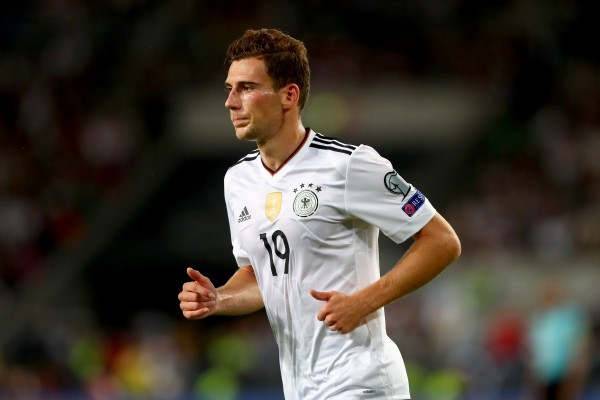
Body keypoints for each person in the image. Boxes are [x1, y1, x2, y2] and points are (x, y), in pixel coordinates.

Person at [178, 28, 461, 400]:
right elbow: (261, 276)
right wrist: (219, 299)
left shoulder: (348, 165)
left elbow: (442, 241)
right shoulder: (238, 181)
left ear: (289, 95)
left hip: (360, 381)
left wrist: (364, 301)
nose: (231, 102)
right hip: (301, 388)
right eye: (230, 89)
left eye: (246, 88)